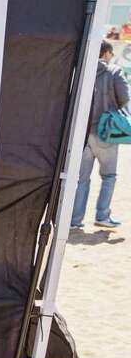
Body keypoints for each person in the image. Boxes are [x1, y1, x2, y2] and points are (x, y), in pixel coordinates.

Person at [70, 40, 130, 231]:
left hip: (83, 133)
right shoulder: (114, 72)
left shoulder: (81, 72)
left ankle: (74, 220)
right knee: (109, 176)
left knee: (81, 178)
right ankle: (102, 216)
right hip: (106, 133)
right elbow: (125, 100)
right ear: (106, 53)